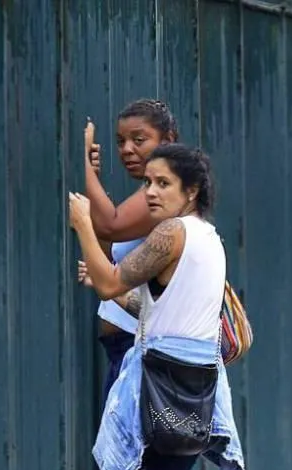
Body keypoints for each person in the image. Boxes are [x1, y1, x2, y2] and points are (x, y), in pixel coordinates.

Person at [68, 145, 245, 470]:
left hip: (159, 384)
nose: (149, 191)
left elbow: (109, 284)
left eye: (162, 183)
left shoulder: (171, 233)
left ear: (191, 192)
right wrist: (113, 285)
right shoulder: (210, 241)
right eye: (147, 182)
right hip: (199, 389)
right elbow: (163, 308)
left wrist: (85, 223)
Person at [81, 99, 181, 393]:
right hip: (124, 349)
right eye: (121, 141)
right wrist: (93, 178)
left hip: (141, 350)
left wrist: (82, 166)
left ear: (168, 140)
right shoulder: (147, 192)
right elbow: (107, 245)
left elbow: (110, 224)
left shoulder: (163, 195)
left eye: (139, 140)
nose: (127, 149)